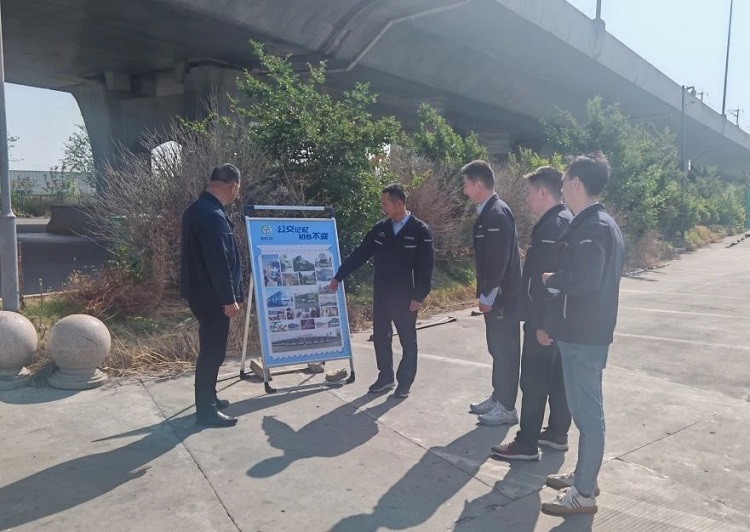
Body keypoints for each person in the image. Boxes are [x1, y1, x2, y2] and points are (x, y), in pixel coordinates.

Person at [540, 152, 624, 516]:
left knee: (589, 416)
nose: (561, 189)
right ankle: (584, 475)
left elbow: (587, 279)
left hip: (584, 335)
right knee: (584, 413)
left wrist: (553, 280)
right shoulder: (598, 223)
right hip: (582, 332)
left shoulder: (594, 227)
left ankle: (584, 493)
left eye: (563, 182)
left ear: (576, 184)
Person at [490, 166, 573, 461]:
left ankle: (526, 443)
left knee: (534, 381)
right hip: (558, 321)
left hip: (544, 321)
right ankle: (557, 433)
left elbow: (547, 282)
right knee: (557, 379)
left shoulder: (551, 226)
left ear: (543, 192)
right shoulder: (566, 219)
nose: (526, 199)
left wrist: (540, 323)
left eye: (529, 193)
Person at [329, 183, 434, 398]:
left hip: (406, 297)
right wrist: (339, 276)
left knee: (408, 341)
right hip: (382, 295)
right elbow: (360, 254)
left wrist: (419, 295)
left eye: (385, 204)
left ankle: (405, 382)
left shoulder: (420, 230)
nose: (382, 208)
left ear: (398, 204)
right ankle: (385, 377)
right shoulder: (380, 229)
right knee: (380, 337)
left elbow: (426, 266)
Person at [180, 163, 244, 428]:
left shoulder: (199, 209)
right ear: (233, 186)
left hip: (202, 292)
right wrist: (228, 299)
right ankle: (205, 411)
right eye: (238, 189)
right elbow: (218, 262)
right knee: (212, 352)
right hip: (212, 296)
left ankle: (211, 398)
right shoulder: (212, 215)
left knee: (213, 350)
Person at [462, 160, 522, 425]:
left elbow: (498, 260)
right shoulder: (489, 211)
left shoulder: (497, 213)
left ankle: (507, 407)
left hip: (502, 299)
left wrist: (488, 296)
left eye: (466, 185)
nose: (464, 190)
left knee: (506, 351)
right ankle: (499, 397)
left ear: (479, 184)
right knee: (497, 349)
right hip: (497, 297)